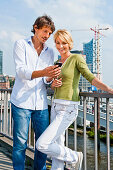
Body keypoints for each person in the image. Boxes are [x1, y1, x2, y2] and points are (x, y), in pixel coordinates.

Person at [36, 29, 113, 170]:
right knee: (57, 147)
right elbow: (53, 85)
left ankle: (74, 157)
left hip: (68, 108)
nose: (60, 46)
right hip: (55, 105)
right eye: (57, 43)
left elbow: (91, 78)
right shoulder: (57, 62)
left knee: (42, 144)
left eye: (64, 43)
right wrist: (53, 84)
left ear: (69, 43)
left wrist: (108, 89)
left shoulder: (76, 58)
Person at [11, 15, 61, 170]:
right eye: (45, 31)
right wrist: (44, 72)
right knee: (20, 143)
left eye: (49, 33)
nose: (47, 36)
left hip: (40, 104)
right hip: (21, 102)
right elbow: (21, 72)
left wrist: (50, 78)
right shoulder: (21, 44)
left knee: (42, 143)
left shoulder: (50, 52)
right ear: (36, 27)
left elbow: (44, 80)